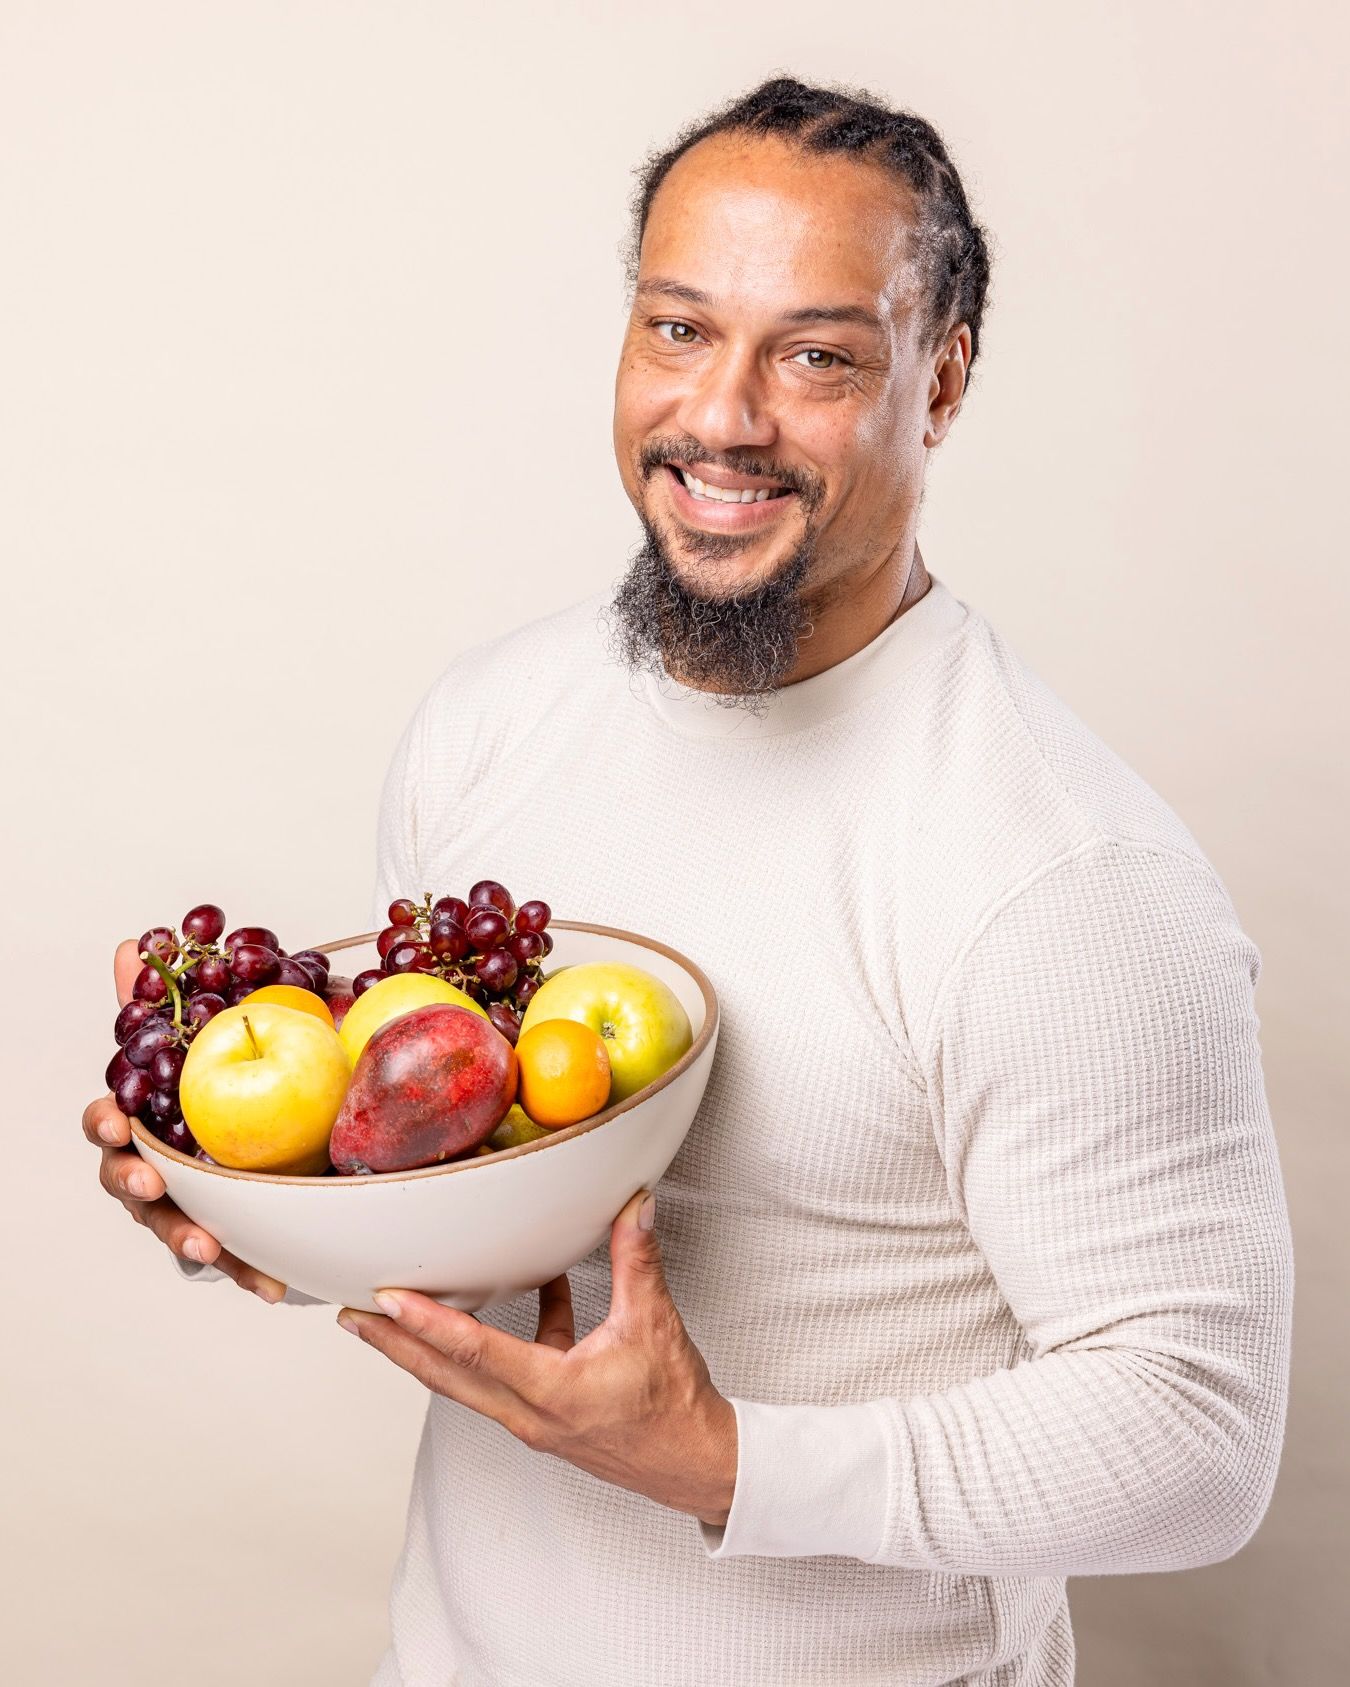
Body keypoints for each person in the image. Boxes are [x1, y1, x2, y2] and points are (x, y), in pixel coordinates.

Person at [83, 76, 1294, 1687]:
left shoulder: (1060, 874)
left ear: (938, 384)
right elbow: (481, 1197)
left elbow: (1198, 1439)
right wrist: (279, 1204)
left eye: (814, 356)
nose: (720, 417)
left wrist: (725, 1465)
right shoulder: (488, 725)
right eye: (675, 329)